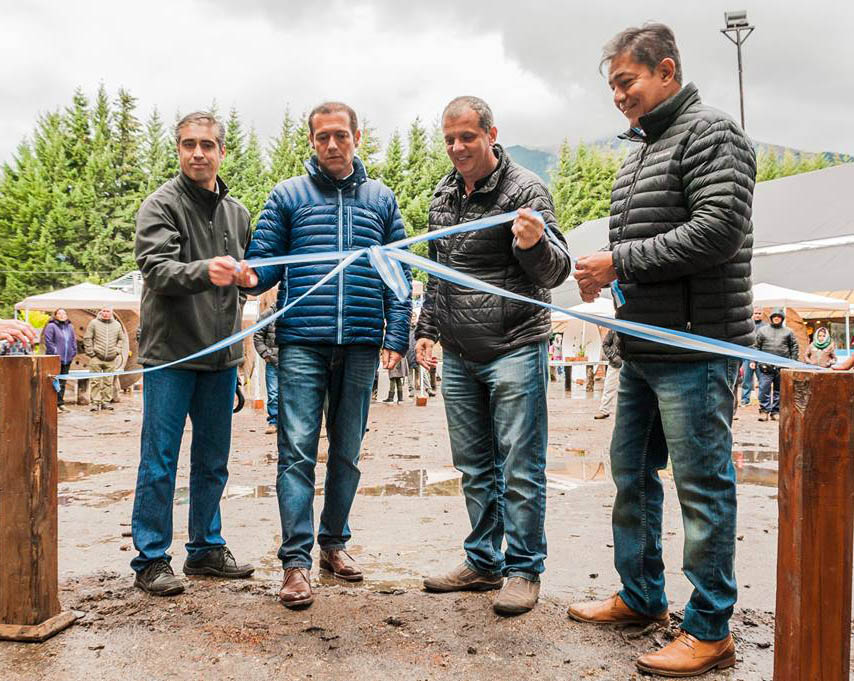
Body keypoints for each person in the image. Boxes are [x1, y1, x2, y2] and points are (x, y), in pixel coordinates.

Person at [568, 24, 755, 677]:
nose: (619, 95)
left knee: (703, 489)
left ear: (667, 71)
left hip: (697, 348)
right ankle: (642, 595)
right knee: (632, 476)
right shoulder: (640, 151)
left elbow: (717, 231)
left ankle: (710, 628)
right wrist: (609, 277)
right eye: (613, 86)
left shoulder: (713, 133)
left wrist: (617, 260)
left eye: (628, 81)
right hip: (643, 348)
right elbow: (649, 245)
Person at [238, 101, 411, 609]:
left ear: (357, 137)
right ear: (311, 141)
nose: (332, 144)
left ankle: (334, 544)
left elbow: (398, 275)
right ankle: (295, 563)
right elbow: (265, 264)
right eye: (322, 137)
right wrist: (247, 276)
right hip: (301, 344)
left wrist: (396, 336)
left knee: (348, 451)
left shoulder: (381, 199)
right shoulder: (287, 195)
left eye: (340, 135)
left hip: (360, 343)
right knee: (295, 452)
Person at [416, 96, 572, 616]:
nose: (457, 147)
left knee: (520, 466)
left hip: (514, 346)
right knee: (474, 465)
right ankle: (484, 561)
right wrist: (426, 329)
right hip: (459, 352)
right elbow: (439, 275)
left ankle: (524, 569)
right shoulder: (443, 194)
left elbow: (556, 271)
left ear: (491, 134)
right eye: (449, 139)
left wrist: (533, 244)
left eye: (467, 137)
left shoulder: (526, 190)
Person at [132, 111, 255, 596]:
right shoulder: (160, 205)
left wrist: (250, 279)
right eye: (189, 144)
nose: (198, 153)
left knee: (212, 461)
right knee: (159, 461)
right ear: (179, 149)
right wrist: (207, 270)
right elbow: (156, 270)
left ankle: (205, 548)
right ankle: (150, 558)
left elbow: (244, 280)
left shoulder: (238, 213)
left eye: (207, 145)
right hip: (170, 356)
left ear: (222, 151)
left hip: (221, 359)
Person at [754, 308, 799, 422]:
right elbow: (756, 347)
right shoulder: (762, 331)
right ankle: (764, 411)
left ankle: (776, 412)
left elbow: (794, 347)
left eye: (779, 317)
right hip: (765, 366)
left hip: (782, 366)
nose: (776, 318)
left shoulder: (788, 331)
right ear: (771, 318)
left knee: (779, 390)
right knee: (764, 389)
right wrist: (754, 361)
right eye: (775, 317)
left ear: (782, 318)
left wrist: (792, 362)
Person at [83, 307, 126, 412]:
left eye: (108, 311)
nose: (106, 313)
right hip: (96, 357)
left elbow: (121, 339)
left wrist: (117, 350)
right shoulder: (94, 323)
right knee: (95, 381)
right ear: (101, 312)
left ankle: (105, 402)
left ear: (111, 313)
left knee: (108, 382)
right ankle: (95, 403)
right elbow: (87, 338)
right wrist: (91, 353)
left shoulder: (117, 325)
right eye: (104, 311)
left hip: (111, 359)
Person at [42, 308, 77, 412]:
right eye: (59, 313)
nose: (62, 315)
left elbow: (73, 341)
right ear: (55, 315)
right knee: (54, 382)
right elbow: (48, 341)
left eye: (64, 313)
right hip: (55, 359)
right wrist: (55, 353)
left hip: (67, 359)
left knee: (63, 382)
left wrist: (73, 351)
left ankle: (60, 403)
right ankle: (53, 404)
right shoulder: (51, 326)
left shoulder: (70, 327)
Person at [253, 307, 279, 434]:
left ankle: (290, 424)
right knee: (273, 394)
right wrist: (266, 354)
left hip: (291, 361)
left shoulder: (294, 310)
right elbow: (257, 335)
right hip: (273, 362)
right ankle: (273, 422)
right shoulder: (269, 314)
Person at [593, 329, 621, 420]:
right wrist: (613, 356)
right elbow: (605, 344)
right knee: (609, 387)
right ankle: (604, 411)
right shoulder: (614, 330)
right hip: (615, 364)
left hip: (631, 363)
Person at [740, 307, 764, 406]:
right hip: (747, 355)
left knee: (762, 380)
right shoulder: (747, 326)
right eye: (755, 313)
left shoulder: (765, 327)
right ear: (752, 314)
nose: (757, 315)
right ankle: (745, 399)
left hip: (760, 357)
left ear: (762, 314)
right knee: (746, 380)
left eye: (759, 313)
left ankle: (762, 401)